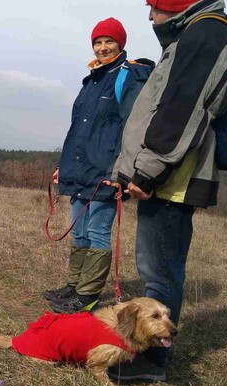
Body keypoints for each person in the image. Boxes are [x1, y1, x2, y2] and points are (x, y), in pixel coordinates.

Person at [107, 0, 227, 382]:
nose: (150, 16)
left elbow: (182, 111)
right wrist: (127, 169)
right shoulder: (194, 33)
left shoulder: (206, 33)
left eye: (154, 6)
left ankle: (151, 363)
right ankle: (145, 350)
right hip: (167, 176)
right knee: (157, 269)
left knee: (160, 272)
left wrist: (148, 170)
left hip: (172, 180)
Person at [44, 18, 154, 313]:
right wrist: (64, 166)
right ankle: (73, 286)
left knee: (96, 232)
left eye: (109, 42)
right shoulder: (92, 79)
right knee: (79, 230)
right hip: (80, 169)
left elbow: (132, 127)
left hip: (106, 171)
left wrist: (121, 171)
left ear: (121, 44)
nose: (103, 47)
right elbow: (79, 131)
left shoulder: (127, 76)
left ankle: (87, 295)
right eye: (98, 42)